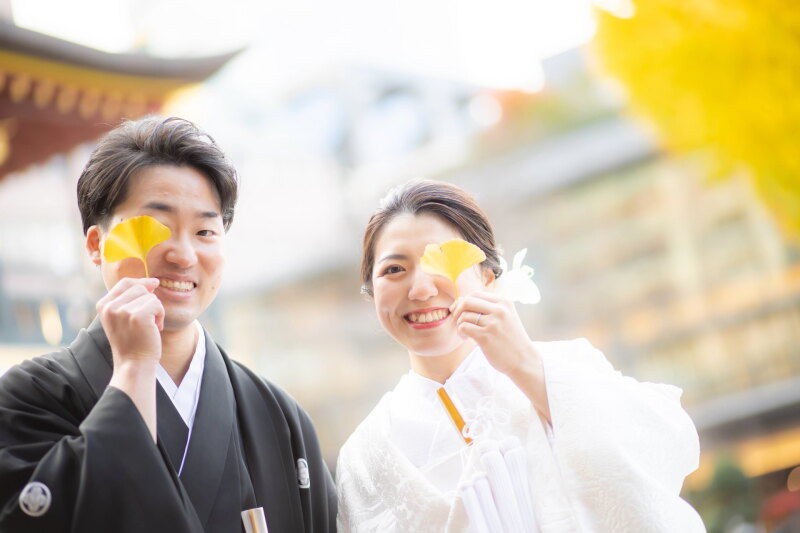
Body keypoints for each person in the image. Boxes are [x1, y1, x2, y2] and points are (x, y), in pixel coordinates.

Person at [0, 117, 337, 532]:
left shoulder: (278, 415)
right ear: (95, 245)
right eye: (155, 227)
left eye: (204, 230)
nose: (183, 254)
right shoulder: (30, 398)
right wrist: (134, 369)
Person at [336, 180, 705, 533]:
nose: (420, 289)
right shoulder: (366, 456)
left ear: (487, 277)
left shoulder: (568, 367)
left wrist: (527, 368)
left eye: (441, 260)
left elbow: (664, 452)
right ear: (372, 292)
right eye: (394, 269)